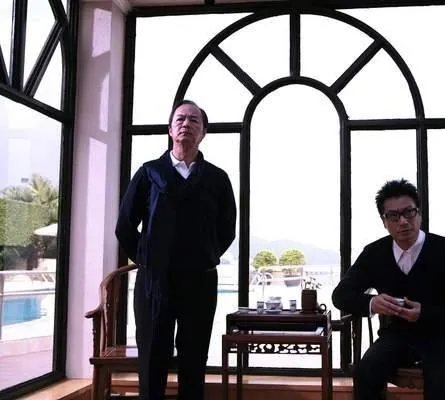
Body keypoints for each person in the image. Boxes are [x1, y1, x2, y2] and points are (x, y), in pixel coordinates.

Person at [115, 100, 236, 400]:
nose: (186, 124)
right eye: (180, 119)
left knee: (194, 357)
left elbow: (227, 230)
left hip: (200, 280)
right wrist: (147, 258)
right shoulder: (149, 173)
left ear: (203, 132)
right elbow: (125, 225)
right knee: (152, 357)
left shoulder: (217, 178)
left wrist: (205, 254)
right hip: (154, 281)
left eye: (194, 120)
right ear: (170, 129)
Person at [332, 178, 445, 400]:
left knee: (440, 382)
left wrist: (424, 313)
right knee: (365, 373)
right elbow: (341, 295)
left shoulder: (442, 249)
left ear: (419, 214)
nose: (403, 221)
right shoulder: (375, 253)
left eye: (409, 212)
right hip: (396, 336)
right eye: (393, 216)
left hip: (440, 335)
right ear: (384, 221)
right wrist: (372, 303)